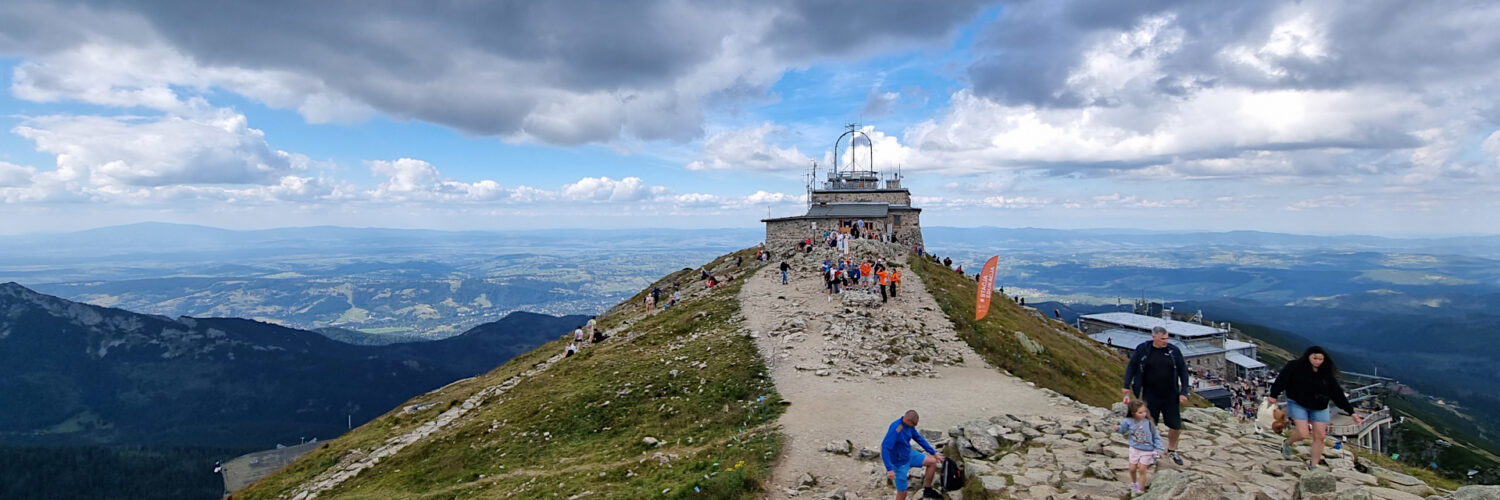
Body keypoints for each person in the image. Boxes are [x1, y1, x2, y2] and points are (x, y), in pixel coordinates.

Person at [1267, 346, 1362, 470]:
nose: (1317, 361)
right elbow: (1282, 379)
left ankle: (1314, 466)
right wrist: (1274, 394)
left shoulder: (1326, 374)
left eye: (1320, 359)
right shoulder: (1294, 366)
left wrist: (1351, 412)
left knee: (1320, 436)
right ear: (1308, 356)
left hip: (1320, 406)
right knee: (1303, 433)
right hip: (1297, 402)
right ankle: (1287, 443)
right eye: (1315, 358)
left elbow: (1337, 393)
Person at [1122, 326, 1190, 466]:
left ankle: (1171, 450)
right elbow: (1132, 366)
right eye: (1162, 338)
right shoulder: (1143, 349)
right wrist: (1126, 385)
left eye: (1167, 338)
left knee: (1175, 424)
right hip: (1150, 393)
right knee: (1149, 423)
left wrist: (1184, 391)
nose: (1165, 341)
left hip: (1171, 393)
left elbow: (1183, 370)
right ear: (1154, 337)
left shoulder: (1173, 351)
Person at [881, 410, 944, 500]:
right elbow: (885, 448)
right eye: (914, 424)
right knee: (902, 493)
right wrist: (889, 469)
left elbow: (919, 438)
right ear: (907, 420)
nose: (915, 426)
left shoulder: (910, 427)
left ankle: (927, 489)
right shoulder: (896, 429)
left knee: (932, 462)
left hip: (909, 455)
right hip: (899, 464)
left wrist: (933, 453)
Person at [1118, 400, 1165, 495]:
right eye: (1140, 412)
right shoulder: (1128, 421)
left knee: (1142, 469)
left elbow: (1156, 436)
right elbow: (1122, 430)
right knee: (1132, 469)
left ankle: (1141, 490)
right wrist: (1117, 429)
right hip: (1134, 449)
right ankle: (1134, 484)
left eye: (1145, 411)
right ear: (1133, 413)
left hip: (1147, 450)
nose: (1143, 414)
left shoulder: (1149, 423)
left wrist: (1159, 449)